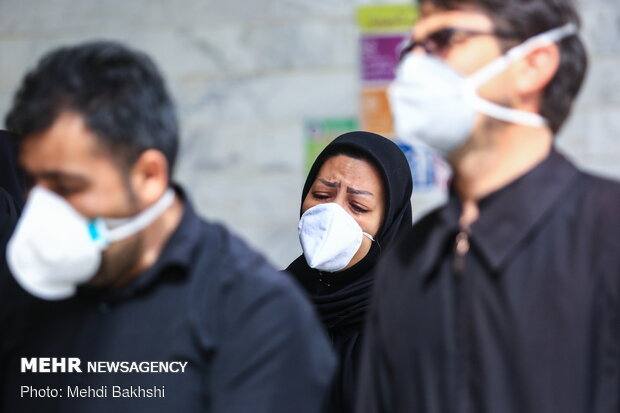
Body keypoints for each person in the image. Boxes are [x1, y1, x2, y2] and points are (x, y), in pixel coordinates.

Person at [0, 41, 335, 413]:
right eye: (32, 183)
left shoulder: (254, 312)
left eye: (69, 187)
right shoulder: (24, 288)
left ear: (148, 176)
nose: (43, 212)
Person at [358, 1, 620, 413]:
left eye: (443, 41)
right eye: (413, 49)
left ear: (532, 64)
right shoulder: (408, 260)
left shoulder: (606, 232)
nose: (415, 69)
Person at [286, 131, 412, 413]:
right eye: (321, 194)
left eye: (357, 206)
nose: (332, 214)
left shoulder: (414, 322)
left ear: (388, 225)